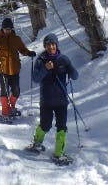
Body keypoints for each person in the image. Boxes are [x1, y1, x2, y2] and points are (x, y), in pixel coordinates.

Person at [26, 33, 79, 165]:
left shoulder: (64, 59)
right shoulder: (40, 60)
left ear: (56, 45)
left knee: (62, 127)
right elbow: (36, 78)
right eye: (48, 44)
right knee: (45, 125)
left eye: (53, 44)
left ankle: (59, 154)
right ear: (45, 46)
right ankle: (37, 143)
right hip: (47, 100)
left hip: (61, 100)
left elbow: (76, 75)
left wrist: (72, 72)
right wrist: (45, 68)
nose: (51, 47)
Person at [0, 17, 36, 121]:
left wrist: (29, 53)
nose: (7, 31)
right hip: (3, 69)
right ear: (2, 29)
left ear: (12, 29)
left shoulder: (16, 39)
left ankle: (11, 107)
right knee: (5, 91)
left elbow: (22, 49)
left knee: (16, 91)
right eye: (5, 29)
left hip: (14, 69)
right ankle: (5, 112)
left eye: (9, 29)